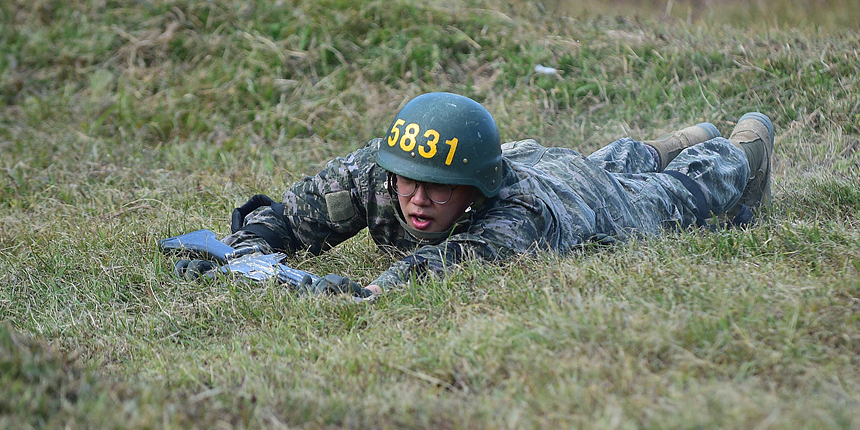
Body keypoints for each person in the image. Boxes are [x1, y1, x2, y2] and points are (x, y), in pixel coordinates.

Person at [178, 92, 774, 298]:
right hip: (528, 155)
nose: (416, 199)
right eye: (408, 181)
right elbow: (288, 220)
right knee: (612, 161)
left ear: (476, 188)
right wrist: (241, 256)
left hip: (580, 201)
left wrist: (362, 291)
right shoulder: (379, 168)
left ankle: (742, 146)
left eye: (440, 189)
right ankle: (671, 139)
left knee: (680, 195)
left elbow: (445, 264)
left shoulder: (515, 217)